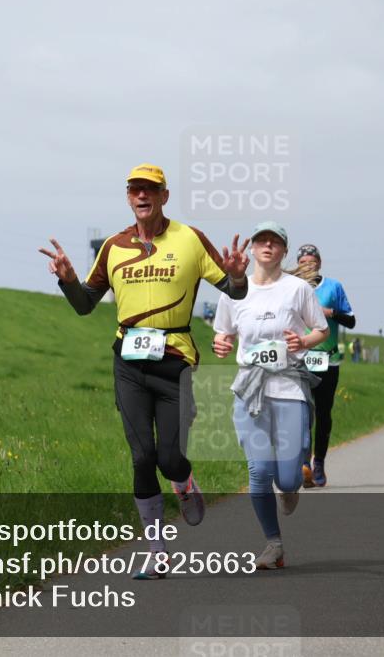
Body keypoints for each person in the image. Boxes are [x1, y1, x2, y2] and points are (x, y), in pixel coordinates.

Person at [39, 163, 249, 579]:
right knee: (141, 457)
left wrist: (239, 276)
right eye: (134, 189)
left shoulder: (189, 238)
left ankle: (184, 483)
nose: (141, 196)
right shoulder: (114, 247)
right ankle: (157, 551)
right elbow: (85, 304)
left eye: (150, 189)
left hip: (176, 361)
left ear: (164, 196)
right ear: (128, 196)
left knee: (170, 458)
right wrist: (67, 281)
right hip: (129, 362)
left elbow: (233, 290)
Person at [212, 222, 329, 569]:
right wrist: (222, 343)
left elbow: (320, 330)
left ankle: (291, 486)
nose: (267, 246)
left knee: (289, 478)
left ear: (283, 251)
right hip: (249, 389)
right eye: (261, 240)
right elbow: (223, 333)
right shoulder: (234, 291)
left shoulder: (297, 289)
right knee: (259, 472)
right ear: (251, 249)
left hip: (289, 387)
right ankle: (273, 544)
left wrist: (303, 341)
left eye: (274, 242)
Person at [293, 244, 356, 488]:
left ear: (320, 263)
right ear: (298, 264)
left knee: (323, 412)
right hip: (300, 359)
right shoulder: (291, 287)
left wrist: (330, 312)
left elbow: (350, 320)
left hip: (328, 359)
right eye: (304, 261)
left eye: (312, 261)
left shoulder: (334, 287)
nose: (308, 265)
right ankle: (304, 463)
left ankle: (319, 461)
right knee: (301, 413)